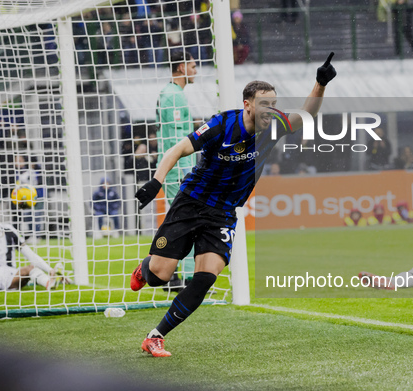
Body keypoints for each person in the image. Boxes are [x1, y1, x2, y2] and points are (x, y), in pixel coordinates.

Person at [131, 53, 337, 357]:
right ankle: (145, 268)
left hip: (223, 213)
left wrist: (320, 83)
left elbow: (306, 113)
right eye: (264, 105)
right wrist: (156, 182)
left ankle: (156, 335)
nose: (270, 110)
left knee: (207, 276)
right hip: (192, 202)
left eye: (273, 104)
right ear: (248, 105)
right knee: (159, 275)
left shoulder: (275, 124)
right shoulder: (221, 125)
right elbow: (179, 148)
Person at [155, 51, 197, 290]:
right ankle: (182, 276)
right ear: (181, 67)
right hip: (178, 170)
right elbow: (174, 138)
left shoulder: (170, 94)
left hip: (176, 169)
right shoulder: (173, 96)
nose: (195, 70)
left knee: (180, 221)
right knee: (185, 222)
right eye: (192, 66)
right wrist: (182, 169)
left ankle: (169, 275)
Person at [0, 199, 65, 292]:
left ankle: (49, 283)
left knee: (30, 268)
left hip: (12, 276)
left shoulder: (9, 230)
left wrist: (50, 270)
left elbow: (29, 254)